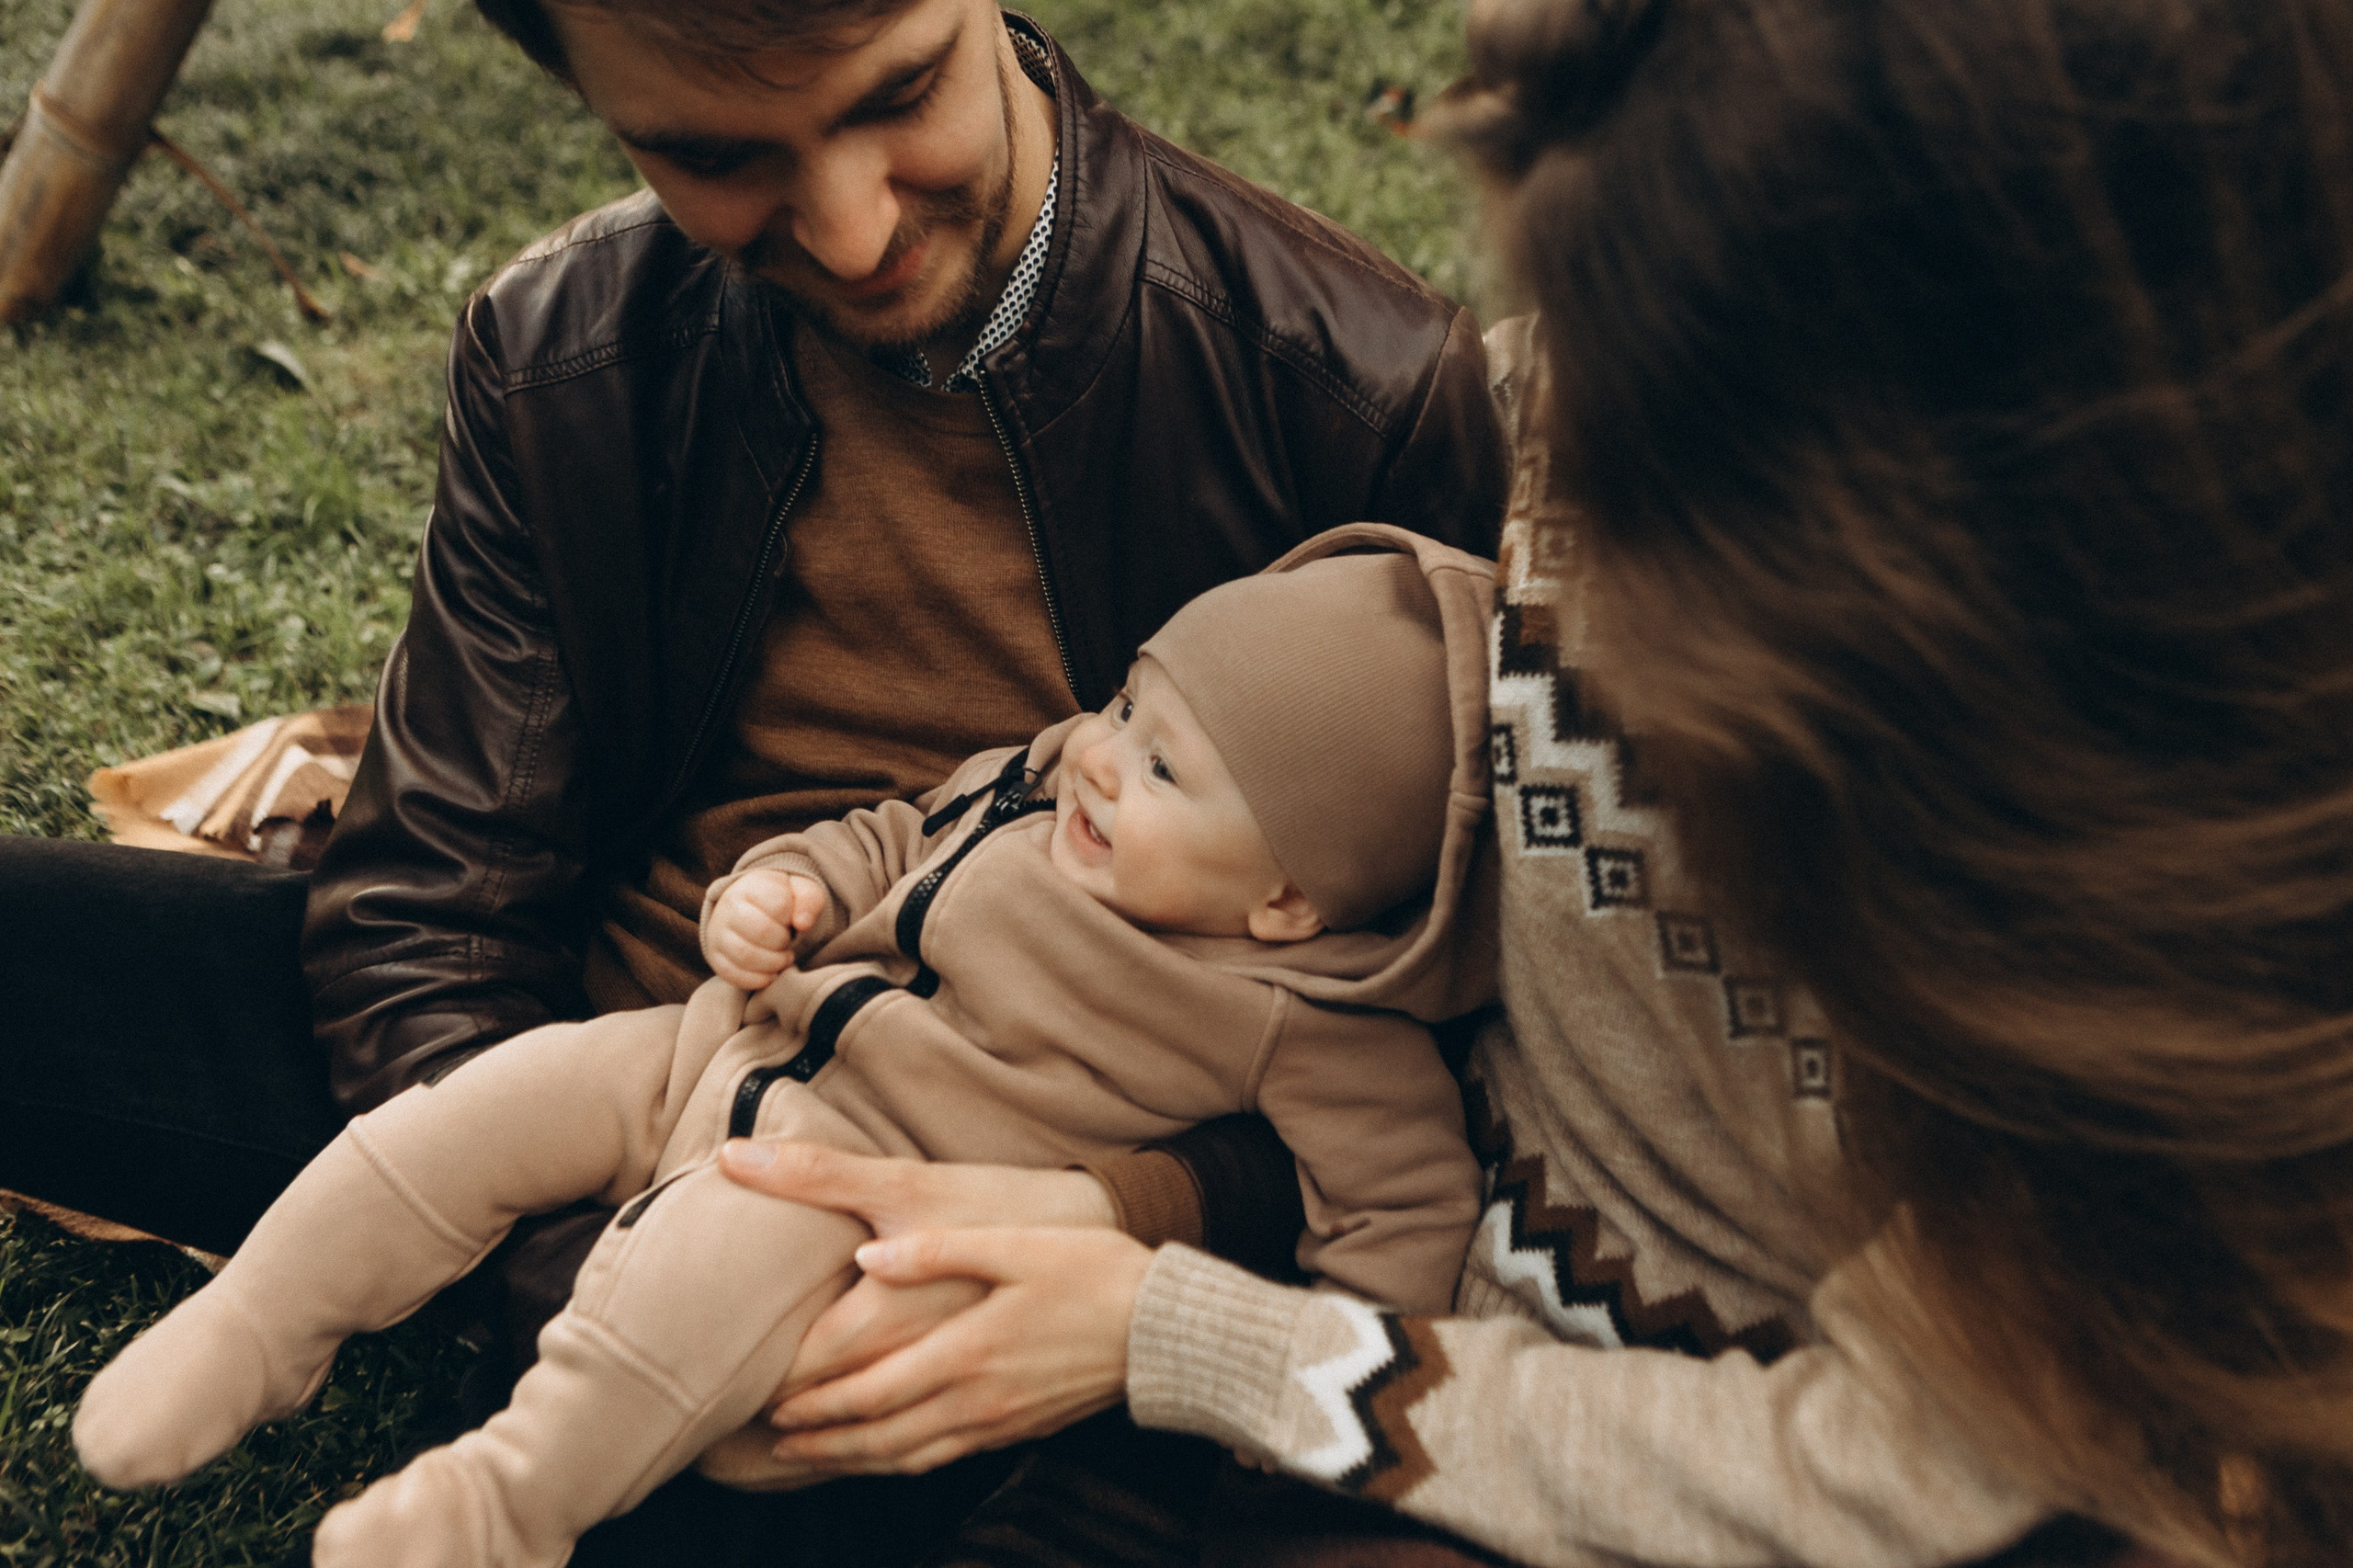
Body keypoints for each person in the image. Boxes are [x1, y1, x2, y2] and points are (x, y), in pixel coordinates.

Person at [703, 0, 2353, 1563]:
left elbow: (1884, 1474)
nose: (1576, 456)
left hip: (1646, 1461)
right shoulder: (1637, 355)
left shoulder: (2161, 972)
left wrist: (1194, 1341)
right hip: (1358, 1228)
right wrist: (1158, 1199)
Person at [0, 0, 1504, 1558]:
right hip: (610, 1056)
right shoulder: (563, 349)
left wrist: (1133, 1223)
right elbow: (427, 919)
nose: (853, 231)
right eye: (716, 156)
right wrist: (593, 1277)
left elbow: (1455, 1070)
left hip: (948, 1225)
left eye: (900, 94)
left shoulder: (1354, 388)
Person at [74, 534, 1495, 1568]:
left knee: (691, 1283)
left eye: (1167, 768)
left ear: (1286, 898)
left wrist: (1276, 1420)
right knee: (476, 1111)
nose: (1104, 757)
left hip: (856, 1200)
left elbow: (1407, 1207)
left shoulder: (1308, 1015)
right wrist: (785, 887)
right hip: (719, 1043)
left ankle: (506, 1501)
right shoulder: (1045, 780)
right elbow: (894, 832)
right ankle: (264, 1318)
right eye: (1129, 706)